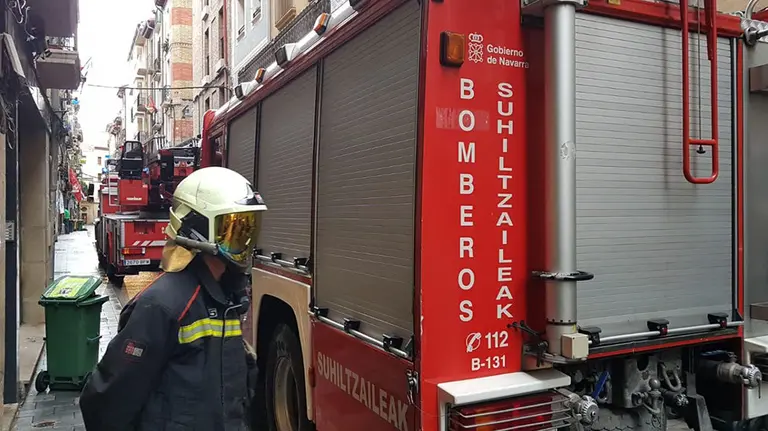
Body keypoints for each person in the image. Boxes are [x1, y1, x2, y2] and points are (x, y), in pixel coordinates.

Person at [79, 166, 267, 430]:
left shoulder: (227, 299)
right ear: (197, 226)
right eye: (234, 229)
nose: (244, 242)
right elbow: (108, 401)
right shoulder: (162, 307)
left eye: (248, 230)